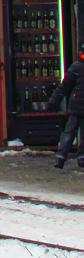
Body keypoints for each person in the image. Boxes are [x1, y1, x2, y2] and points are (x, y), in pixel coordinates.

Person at [48, 42, 84, 170]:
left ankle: (61, 157)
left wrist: (53, 102)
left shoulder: (76, 67)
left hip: (75, 105)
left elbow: (63, 88)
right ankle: (81, 158)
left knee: (69, 131)